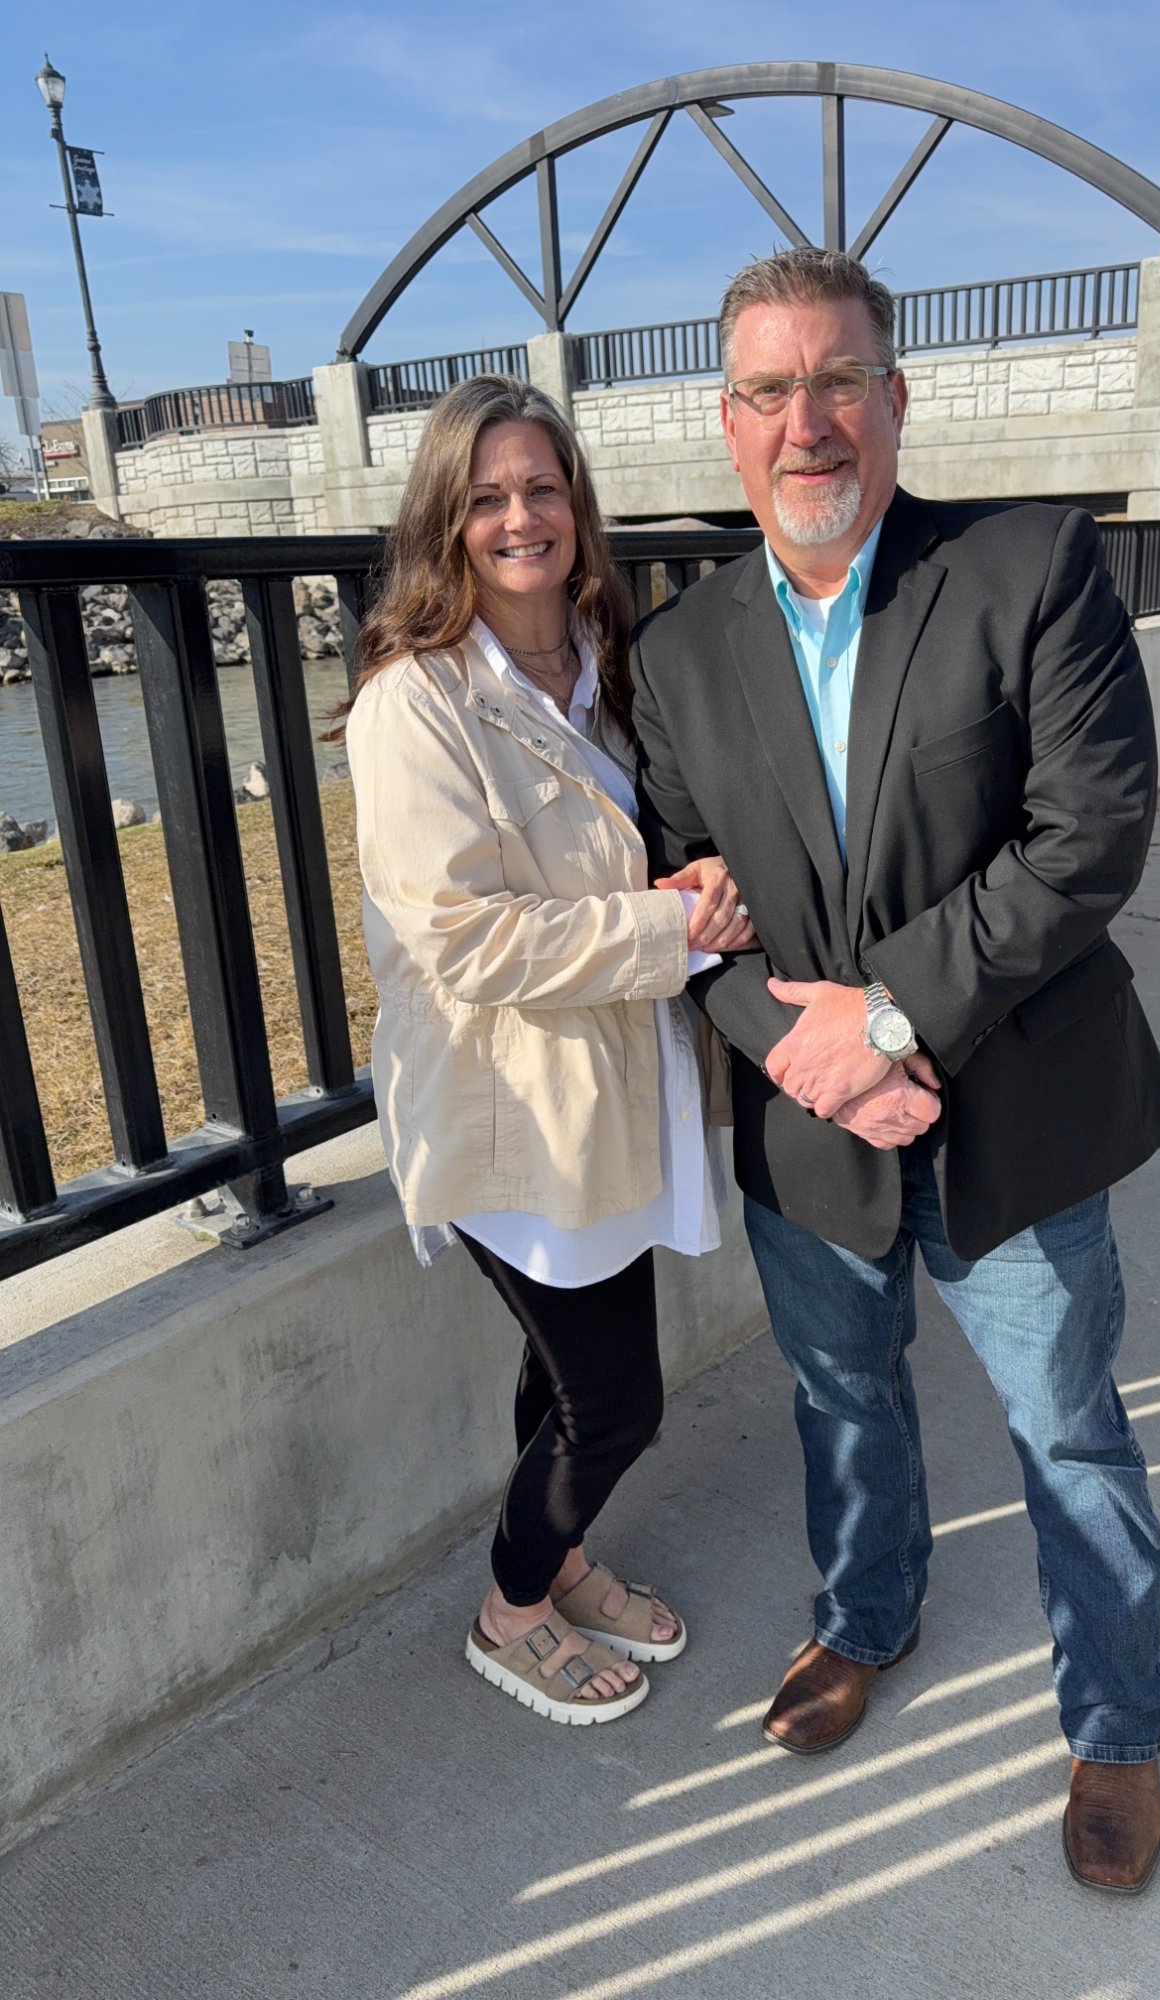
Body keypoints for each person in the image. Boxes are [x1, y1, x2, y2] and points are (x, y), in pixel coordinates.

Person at [631, 249, 1160, 1890]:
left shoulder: (1027, 567)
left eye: (838, 382)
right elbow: (684, 904)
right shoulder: (677, 656)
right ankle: (865, 1621)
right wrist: (810, 1061)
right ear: (726, 426)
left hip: (1007, 1106)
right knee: (841, 1400)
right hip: (816, 1136)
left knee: (1068, 1431)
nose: (808, 424)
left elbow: (1091, 838)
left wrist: (877, 1019)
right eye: (769, 390)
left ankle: (1120, 1724)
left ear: (893, 399)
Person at [345, 374, 754, 1727]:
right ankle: (512, 1606)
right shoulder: (420, 702)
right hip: (513, 1109)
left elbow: (653, 832)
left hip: (607, 1092)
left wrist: (697, 884)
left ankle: (562, 1561)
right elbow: (464, 939)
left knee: (562, 1367)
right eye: (486, 497)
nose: (521, 516)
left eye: (542, 488)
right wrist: (667, 929)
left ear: (578, 506)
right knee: (615, 1403)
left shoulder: (599, 657)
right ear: (444, 523)